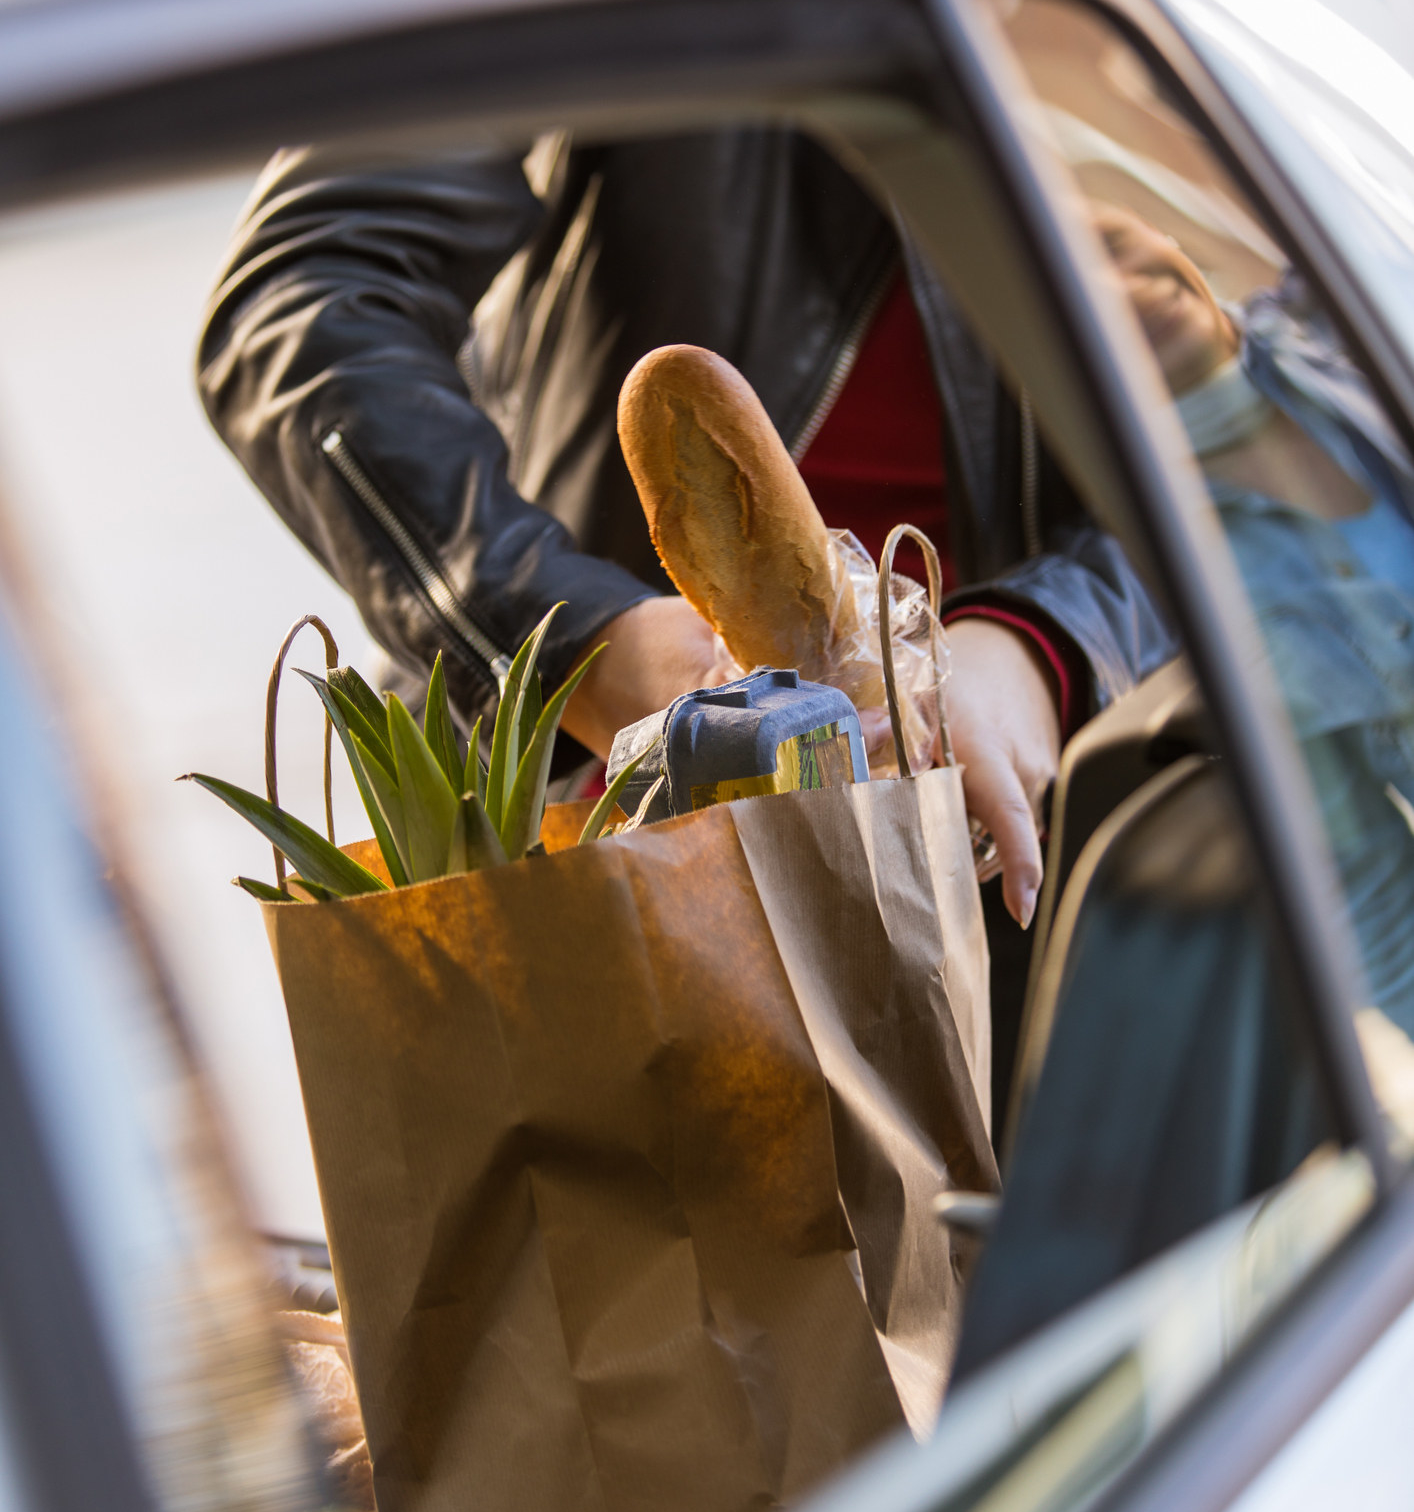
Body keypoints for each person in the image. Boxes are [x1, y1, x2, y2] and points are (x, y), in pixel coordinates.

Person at [198, 127, 1171, 932]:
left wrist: (1044, 641)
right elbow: (298, 296)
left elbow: (1281, 437)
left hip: (996, 869)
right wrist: (579, 639)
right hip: (605, 844)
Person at [1097, 204, 1414, 1037]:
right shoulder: (1174, 570)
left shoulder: (1349, 312)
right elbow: (1366, 888)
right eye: (1085, 287)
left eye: (1112, 242)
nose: (1125, 288)